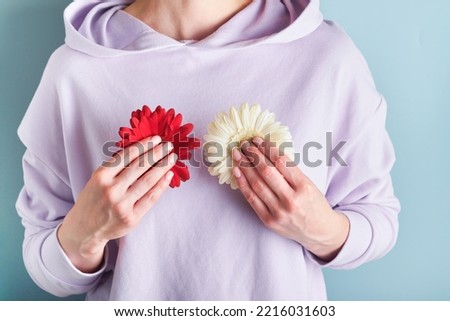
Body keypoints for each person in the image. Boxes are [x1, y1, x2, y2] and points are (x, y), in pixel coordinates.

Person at [16, 0, 400, 300]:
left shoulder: (327, 57)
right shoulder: (74, 72)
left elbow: (379, 217)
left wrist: (322, 231)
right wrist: (83, 235)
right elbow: (44, 265)